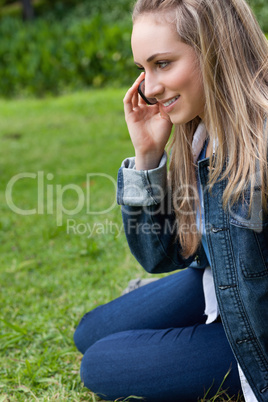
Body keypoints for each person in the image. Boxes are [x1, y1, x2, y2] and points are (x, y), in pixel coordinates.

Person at [74, 0, 268, 400]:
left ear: (216, 49)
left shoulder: (259, 143)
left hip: (257, 332)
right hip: (221, 281)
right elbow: (159, 257)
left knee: (100, 362)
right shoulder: (201, 131)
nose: (148, 88)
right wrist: (147, 158)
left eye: (162, 64)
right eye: (142, 69)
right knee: (89, 332)